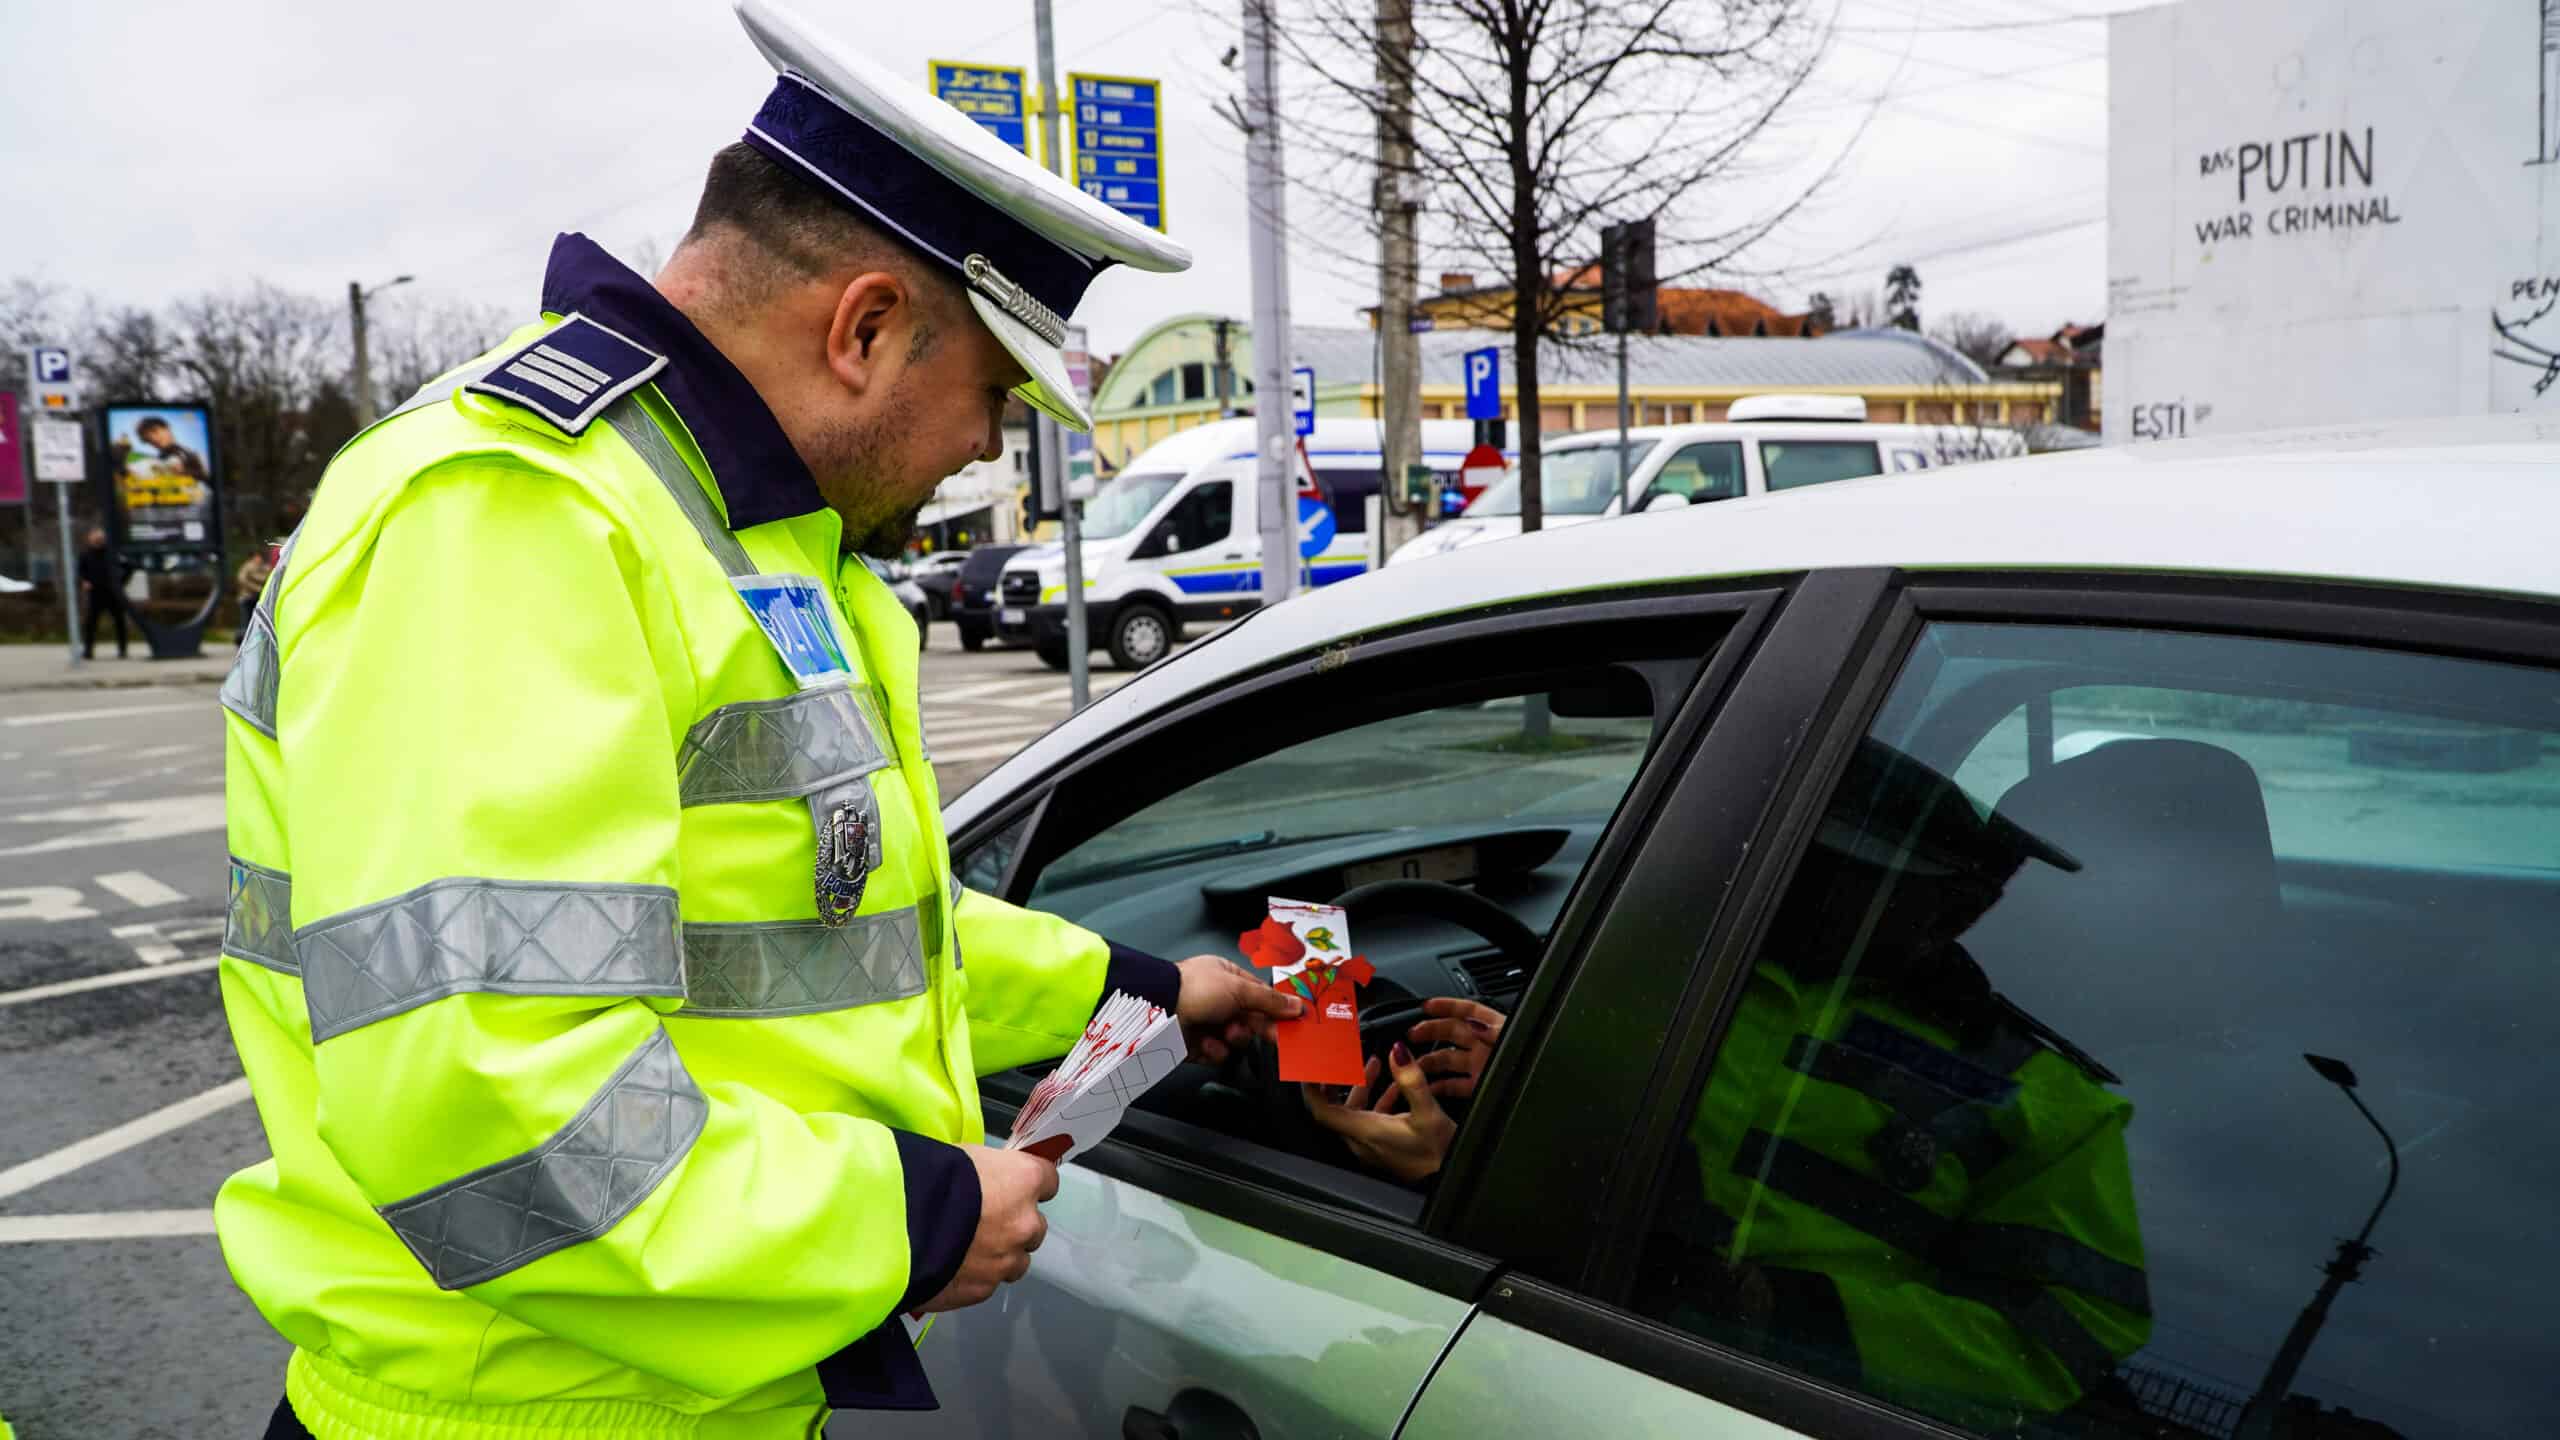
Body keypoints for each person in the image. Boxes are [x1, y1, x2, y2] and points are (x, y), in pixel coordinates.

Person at [214, 4, 1297, 1436]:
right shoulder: (512, 517)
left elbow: (831, 919)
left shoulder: (753, 535)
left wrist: (1138, 992)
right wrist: (902, 1222)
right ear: (864, 327)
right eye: (991, 393)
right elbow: (482, 1085)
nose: (986, 446)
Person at [1308, 739, 2152, 1433]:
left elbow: (2058, 1345)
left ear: (1957, 904)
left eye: (1856, 870)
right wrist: (1519, 1105)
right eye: (1816, 859)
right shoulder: (1682, 969)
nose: (1807, 880)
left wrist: (1752, 1306)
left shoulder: (2052, 1101)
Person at [75, 527, 128, 659]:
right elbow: (81, 572)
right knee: (91, 623)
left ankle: (123, 650)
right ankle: (88, 651)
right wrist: (84, 581)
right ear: (90, 539)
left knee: (119, 622)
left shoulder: (111, 553)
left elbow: (127, 567)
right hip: (95, 593)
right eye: (95, 538)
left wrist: (121, 582)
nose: (98, 541)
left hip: (112, 592)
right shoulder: (85, 555)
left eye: (100, 538)